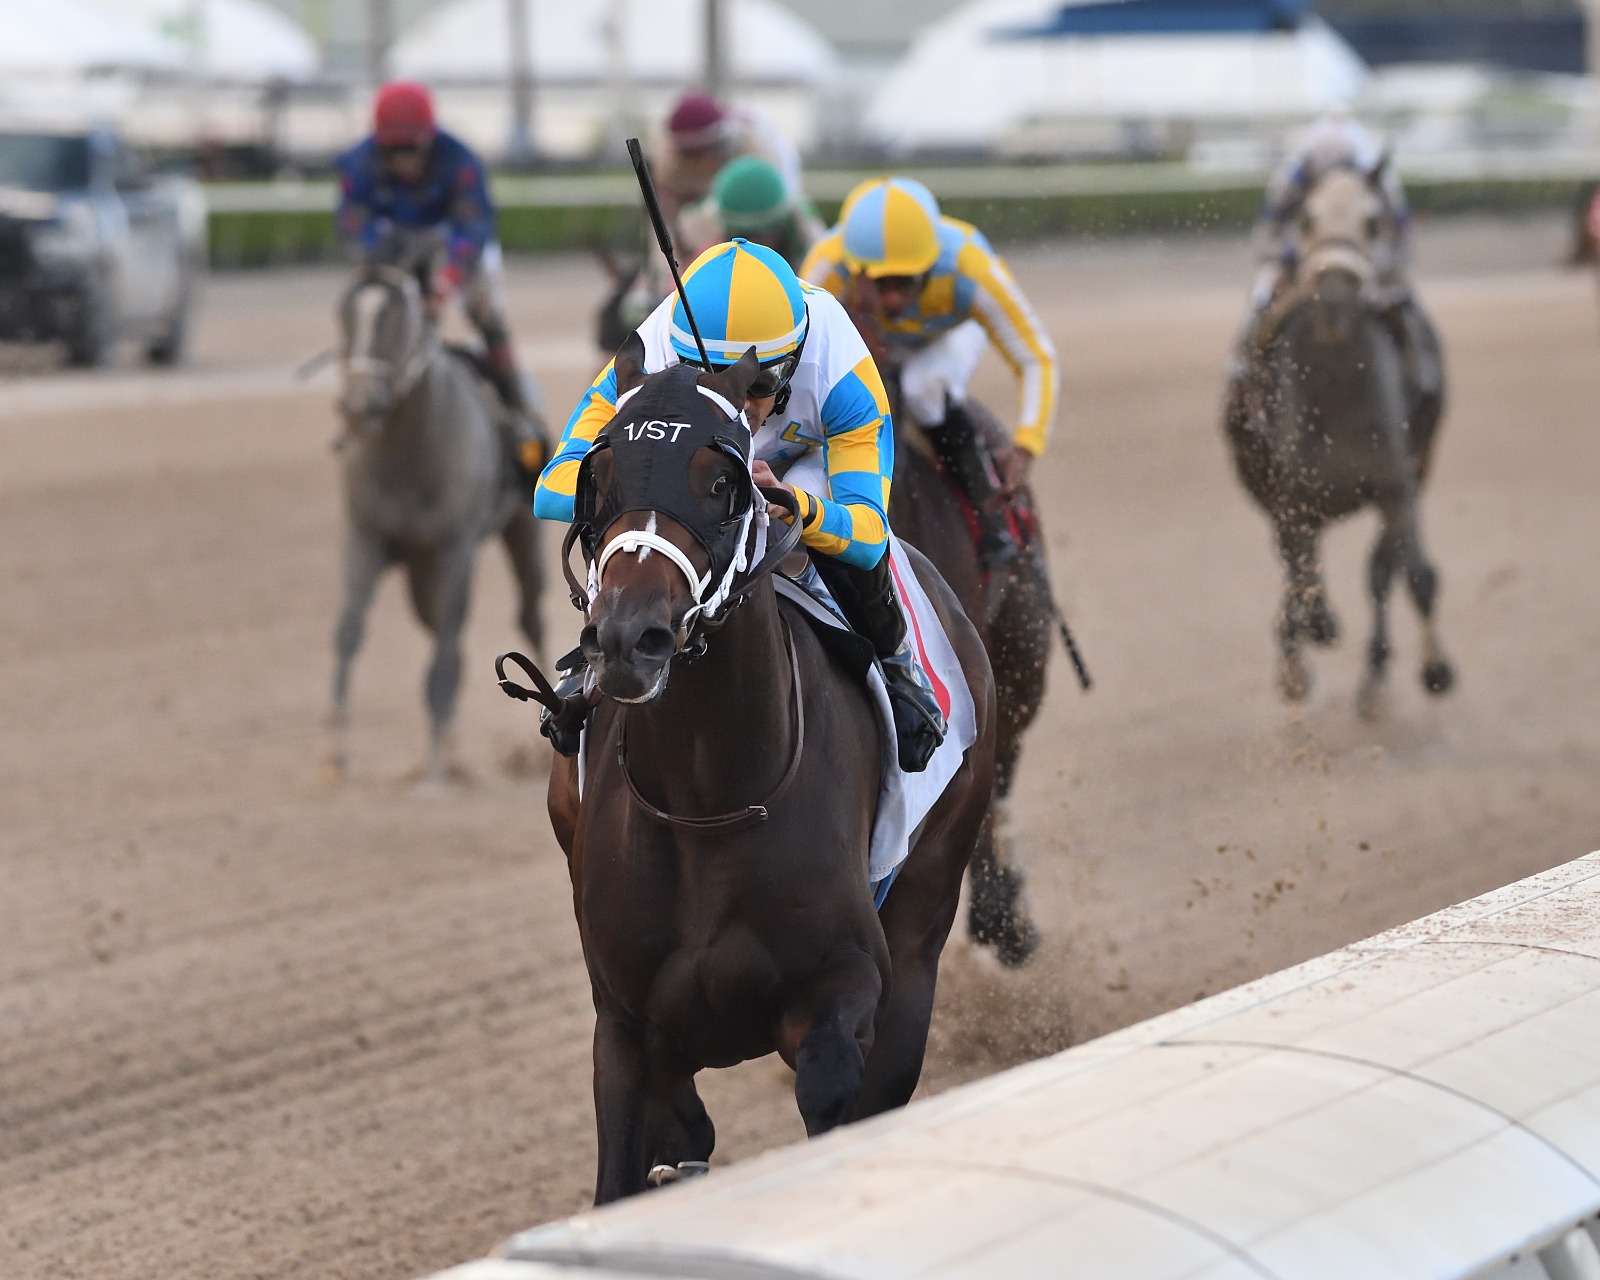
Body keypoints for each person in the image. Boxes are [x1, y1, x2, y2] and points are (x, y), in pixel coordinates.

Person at [535, 238, 946, 773]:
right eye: (710, 378)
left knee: (834, 550)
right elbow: (554, 486)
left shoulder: (843, 372)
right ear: (679, 357)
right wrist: (643, 492)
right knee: (630, 515)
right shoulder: (657, 345)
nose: (734, 405)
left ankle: (896, 664)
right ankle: (595, 654)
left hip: (800, 463)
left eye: (756, 385)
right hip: (692, 461)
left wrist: (797, 506)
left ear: (794, 359)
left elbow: (869, 535)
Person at [802, 177, 1060, 570]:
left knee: (923, 390)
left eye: (904, 283)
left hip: (948, 336)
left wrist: (1026, 445)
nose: (892, 299)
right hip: (869, 335)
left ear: (930, 266)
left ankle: (990, 519)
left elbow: (1035, 356)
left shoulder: (971, 268)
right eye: (880, 282)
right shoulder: (826, 266)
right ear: (855, 269)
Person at [335, 80, 544, 480]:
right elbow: (353, 224)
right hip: (391, 248)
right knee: (367, 308)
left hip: (453, 246)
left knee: (485, 312)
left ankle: (521, 414)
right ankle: (358, 401)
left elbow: (473, 226)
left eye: (411, 149)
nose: (403, 160)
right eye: (392, 150)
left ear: (429, 140)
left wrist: (445, 282)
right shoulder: (355, 164)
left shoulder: (461, 162)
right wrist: (385, 267)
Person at [1235, 106, 1436, 404]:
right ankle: (1245, 368)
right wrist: (1289, 257)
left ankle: (1421, 368)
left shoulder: (1378, 180)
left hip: (1369, 265)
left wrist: (1378, 265)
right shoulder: (1294, 177)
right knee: (1263, 294)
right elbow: (1266, 235)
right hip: (1301, 265)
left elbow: (1401, 240)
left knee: (1403, 299)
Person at [677, 154, 826, 270]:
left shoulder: (806, 231)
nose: (752, 245)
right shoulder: (703, 226)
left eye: (761, 235)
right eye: (744, 237)